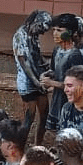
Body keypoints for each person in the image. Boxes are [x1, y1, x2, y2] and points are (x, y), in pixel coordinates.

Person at [13, 10, 53, 146]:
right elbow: (24, 63)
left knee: (44, 115)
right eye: (41, 28)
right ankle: (20, 147)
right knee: (29, 118)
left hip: (38, 79)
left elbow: (37, 55)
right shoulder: (20, 36)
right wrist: (36, 82)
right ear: (35, 22)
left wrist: (47, 65)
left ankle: (38, 145)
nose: (42, 33)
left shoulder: (33, 35)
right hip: (28, 82)